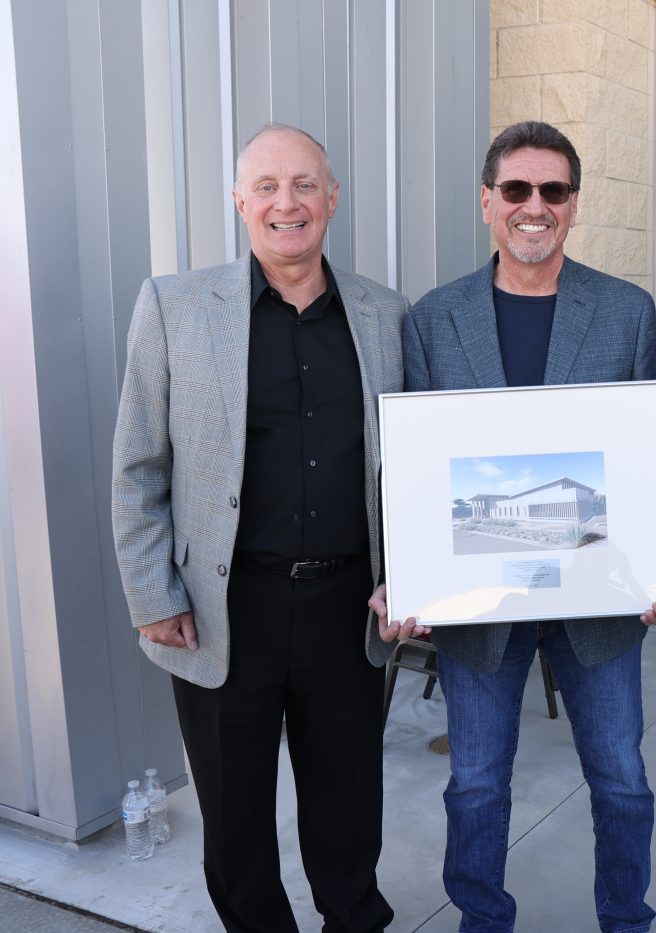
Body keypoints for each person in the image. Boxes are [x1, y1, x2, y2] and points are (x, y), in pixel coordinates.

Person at [374, 120, 656, 933]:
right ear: (487, 201)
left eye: (553, 191)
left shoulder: (623, 312)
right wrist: (405, 575)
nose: (534, 206)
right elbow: (411, 468)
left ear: (573, 205)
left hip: (602, 601)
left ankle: (626, 920)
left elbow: (646, 454)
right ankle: (484, 921)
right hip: (481, 605)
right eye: (517, 189)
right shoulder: (434, 319)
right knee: (475, 782)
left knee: (622, 780)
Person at [111, 124, 406, 932]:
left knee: (347, 803)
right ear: (240, 202)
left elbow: (410, 465)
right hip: (219, 606)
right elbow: (138, 463)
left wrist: (413, 576)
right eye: (268, 186)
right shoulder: (173, 306)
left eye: (305, 184)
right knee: (235, 813)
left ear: (333, 198)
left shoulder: (384, 313)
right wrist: (151, 593)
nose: (288, 203)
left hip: (347, 608)